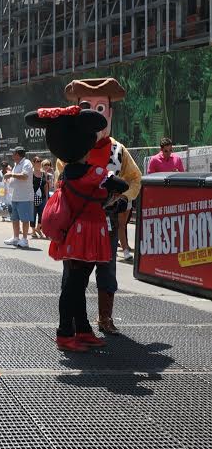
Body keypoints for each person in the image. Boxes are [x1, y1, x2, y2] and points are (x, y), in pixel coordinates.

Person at [26, 106, 128, 352]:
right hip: (90, 234)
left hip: (72, 235)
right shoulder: (97, 173)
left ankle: (82, 329)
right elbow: (122, 185)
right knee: (74, 287)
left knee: (76, 284)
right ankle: (64, 333)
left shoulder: (66, 174)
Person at [60, 78, 141, 333]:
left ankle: (105, 318)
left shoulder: (118, 150)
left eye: (100, 109)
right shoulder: (70, 149)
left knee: (107, 270)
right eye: (87, 109)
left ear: (110, 113)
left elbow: (134, 178)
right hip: (78, 224)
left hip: (106, 223)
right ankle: (72, 322)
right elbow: (63, 181)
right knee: (73, 275)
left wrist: (125, 200)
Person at [4, 146, 33, 248]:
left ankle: (25, 239)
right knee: (14, 218)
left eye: (13, 153)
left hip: (24, 197)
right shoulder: (16, 164)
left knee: (25, 219)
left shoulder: (27, 163)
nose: (12, 155)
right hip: (15, 197)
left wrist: (11, 174)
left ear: (17, 154)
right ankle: (16, 238)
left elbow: (25, 176)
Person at [30, 155, 49, 238]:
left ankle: (38, 228)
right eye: (37, 161)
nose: (39, 163)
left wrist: (47, 197)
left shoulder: (43, 173)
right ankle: (33, 231)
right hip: (32, 197)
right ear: (33, 163)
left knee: (43, 214)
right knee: (33, 214)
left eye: (40, 161)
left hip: (43, 197)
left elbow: (46, 186)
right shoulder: (30, 173)